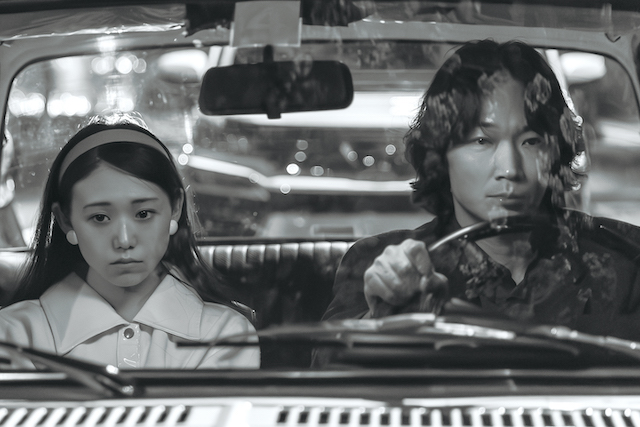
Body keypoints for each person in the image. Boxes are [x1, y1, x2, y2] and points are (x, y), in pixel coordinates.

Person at [322, 40, 640, 341]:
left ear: (557, 151)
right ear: (439, 155)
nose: (510, 169)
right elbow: (325, 365)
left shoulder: (625, 259)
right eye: (482, 141)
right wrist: (381, 318)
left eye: (531, 141)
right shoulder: (384, 264)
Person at [0, 113, 260, 369]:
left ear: (175, 208)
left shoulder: (224, 333)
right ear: (66, 220)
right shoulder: (13, 334)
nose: (124, 241)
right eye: (100, 218)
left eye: (143, 214)